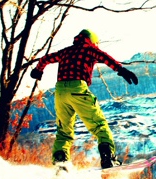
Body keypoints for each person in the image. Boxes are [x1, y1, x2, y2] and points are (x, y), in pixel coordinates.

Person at [31, 29, 138, 169]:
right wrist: (121, 70)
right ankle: (108, 159)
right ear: (92, 41)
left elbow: (45, 59)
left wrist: (38, 70)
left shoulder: (66, 51)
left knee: (64, 132)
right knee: (100, 126)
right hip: (78, 89)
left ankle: (61, 165)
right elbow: (105, 58)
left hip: (60, 92)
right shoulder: (90, 49)